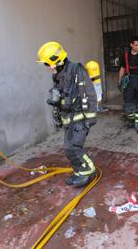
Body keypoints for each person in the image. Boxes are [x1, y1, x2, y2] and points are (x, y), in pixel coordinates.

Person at [37, 41, 97, 187]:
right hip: (68, 119)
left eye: (47, 64)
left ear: (55, 60)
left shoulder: (77, 70)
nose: (47, 68)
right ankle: (79, 172)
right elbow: (62, 96)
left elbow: (89, 94)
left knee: (74, 147)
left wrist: (90, 119)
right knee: (68, 149)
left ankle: (89, 170)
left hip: (79, 118)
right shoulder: (58, 74)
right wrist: (56, 109)